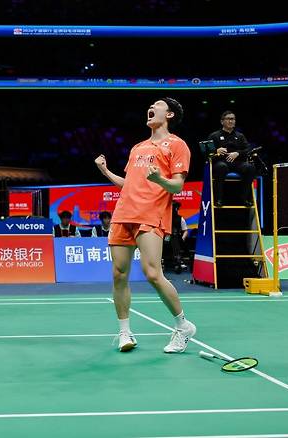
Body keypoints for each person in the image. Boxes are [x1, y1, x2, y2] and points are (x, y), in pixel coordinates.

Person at [94, 98, 197, 354]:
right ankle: (124, 332)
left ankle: (183, 325)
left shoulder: (177, 145)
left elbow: (177, 186)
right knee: (119, 274)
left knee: (152, 273)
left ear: (169, 114)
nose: (151, 108)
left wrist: (159, 179)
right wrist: (106, 172)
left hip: (151, 213)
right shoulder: (137, 147)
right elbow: (128, 183)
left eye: (157, 105)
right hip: (123, 213)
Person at [207, 111, 256, 207]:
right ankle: (219, 199)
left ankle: (245, 199)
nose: (231, 121)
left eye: (233, 119)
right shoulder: (214, 136)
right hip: (221, 162)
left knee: (250, 167)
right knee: (221, 167)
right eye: (228, 119)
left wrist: (238, 153)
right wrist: (216, 150)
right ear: (222, 121)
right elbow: (206, 152)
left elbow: (248, 149)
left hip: (238, 163)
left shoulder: (240, 136)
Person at [170, 201, 188, 273]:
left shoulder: (180, 219)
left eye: (174, 207)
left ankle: (178, 260)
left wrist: (182, 238)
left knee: (175, 238)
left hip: (176, 238)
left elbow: (185, 231)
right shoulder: (165, 218)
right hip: (166, 237)